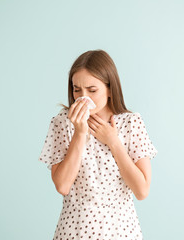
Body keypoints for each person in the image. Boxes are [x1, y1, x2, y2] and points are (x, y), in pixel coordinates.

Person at [38, 49, 158, 240]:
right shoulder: (62, 122)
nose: (83, 97)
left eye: (92, 90)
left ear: (110, 89)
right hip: (73, 231)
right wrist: (79, 133)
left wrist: (113, 142)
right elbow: (62, 185)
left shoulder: (131, 123)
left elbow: (142, 190)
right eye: (77, 89)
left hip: (121, 231)